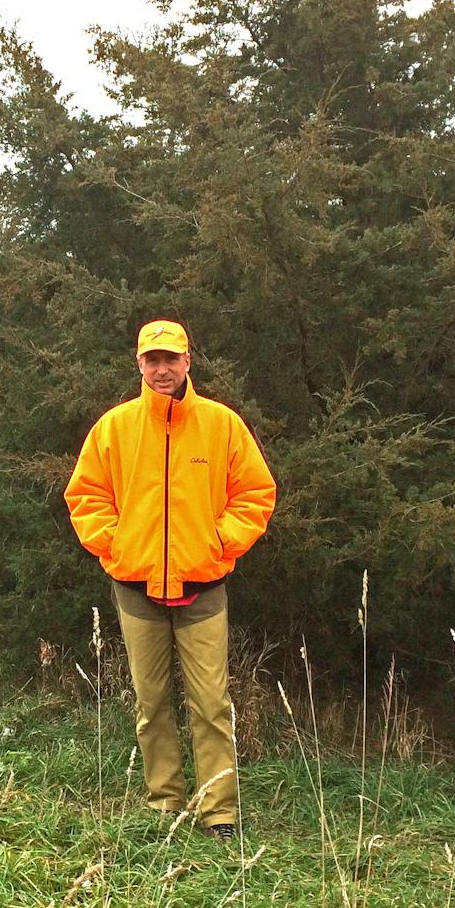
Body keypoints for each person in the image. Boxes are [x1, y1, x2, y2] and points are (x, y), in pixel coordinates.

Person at [64, 319, 276, 842]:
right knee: (151, 702)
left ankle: (219, 813)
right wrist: (116, 546)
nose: (162, 369)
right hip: (136, 591)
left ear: (188, 362)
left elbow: (255, 494)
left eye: (171, 359)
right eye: (152, 360)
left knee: (211, 703)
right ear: (139, 364)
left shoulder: (222, 425)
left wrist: (217, 544)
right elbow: (85, 497)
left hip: (203, 588)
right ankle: (165, 804)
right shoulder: (113, 428)